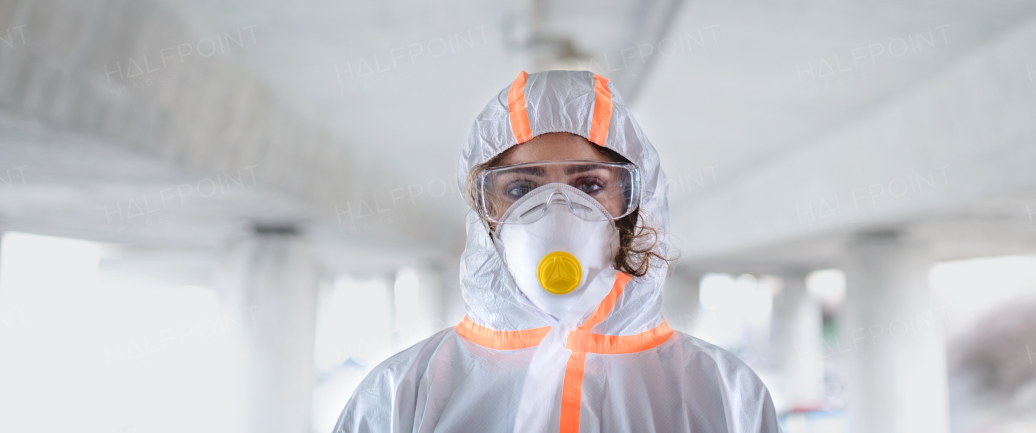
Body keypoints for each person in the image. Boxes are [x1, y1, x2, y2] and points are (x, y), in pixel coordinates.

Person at [334, 69, 780, 432]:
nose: (557, 212)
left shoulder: (723, 394)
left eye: (588, 185)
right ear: (484, 212)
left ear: (633, 204)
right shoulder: (400, 395)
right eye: (521, 188)